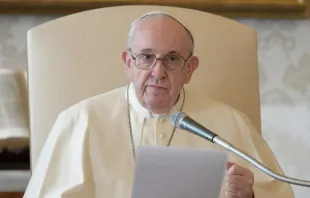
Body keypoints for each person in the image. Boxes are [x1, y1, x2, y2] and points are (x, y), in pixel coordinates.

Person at [23, 11, 294, 198]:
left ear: (190, 69)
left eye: (173, 59)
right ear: (128, 63)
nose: (158, 71)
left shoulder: (230, 124)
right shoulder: (80, 121)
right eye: (146, 57)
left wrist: (250, 194)